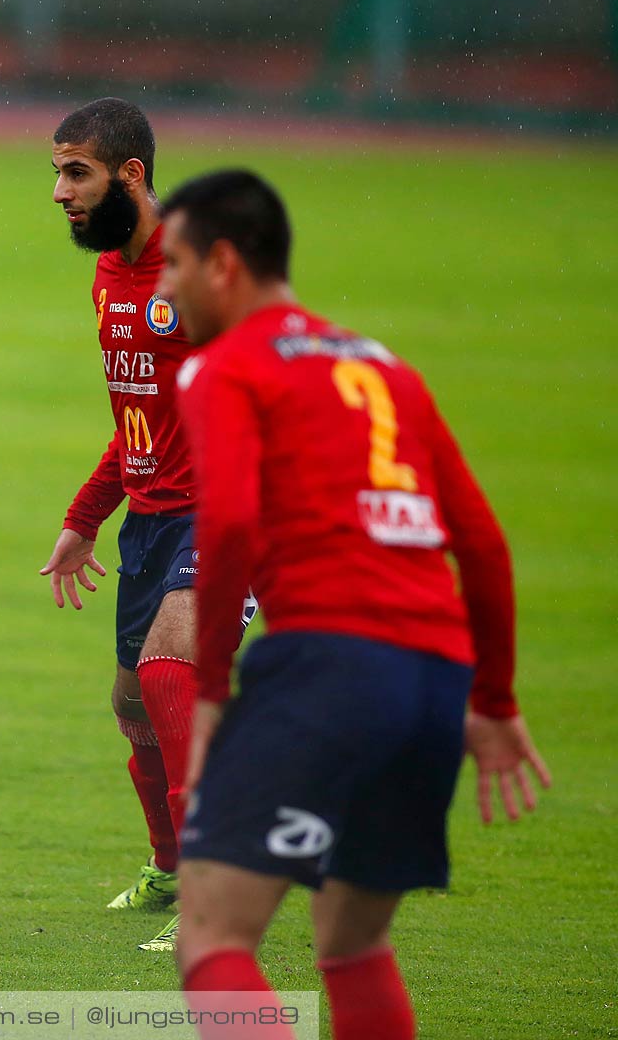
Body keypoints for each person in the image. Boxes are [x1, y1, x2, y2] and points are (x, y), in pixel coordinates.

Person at [157, 169, 550, 1040]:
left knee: (213, 935)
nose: (165, 285)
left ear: (224, 263)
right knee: (352, 944)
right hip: (434, 683)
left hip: (327, 666)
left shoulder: (226, 369)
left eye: (175, 263)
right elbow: (481, 544)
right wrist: (494, 701)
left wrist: (213, 687)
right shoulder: (385, 366)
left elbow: (227, 530)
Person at [38, 98, 252, 953]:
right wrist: (86, 517)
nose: (59, 192)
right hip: (155, 517)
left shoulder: (200, 270)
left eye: (76, 172)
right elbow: (140, 419)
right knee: (132, 704)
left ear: (132, 175)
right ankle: (169, 868)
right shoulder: (109, 275)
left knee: (170, 672)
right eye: (56, 173)